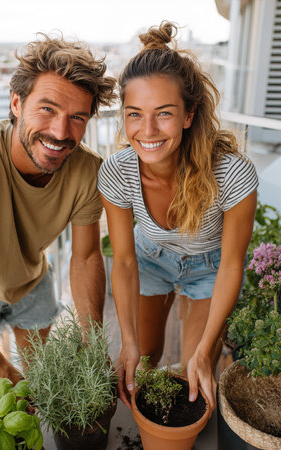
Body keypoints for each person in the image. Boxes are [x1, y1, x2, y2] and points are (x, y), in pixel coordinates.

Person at [0, 32, 116, 386]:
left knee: (36, 371)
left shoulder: (89, 170)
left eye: (77, 117)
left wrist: (92, 343)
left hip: (30, 278)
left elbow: (87, 256)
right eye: (47, 109)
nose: (61, 132)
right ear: (16, 103)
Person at [97, 21, 258, 411]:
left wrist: (207, 351)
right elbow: (124, 260)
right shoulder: (117, 172)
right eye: (134, 114)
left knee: (194, 373)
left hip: (210, 267)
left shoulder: (232, 175)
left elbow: (232, 265)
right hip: (150, 259)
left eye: (163, 113)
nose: (147, 130)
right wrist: (128, 341)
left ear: (188, 115)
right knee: (144, 358)